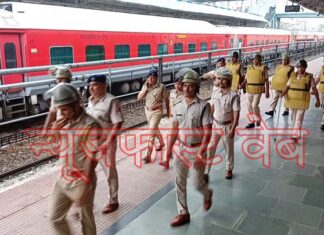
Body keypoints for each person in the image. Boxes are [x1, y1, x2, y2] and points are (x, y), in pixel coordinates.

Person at [48, 84, 100, 235]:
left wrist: (84, 189)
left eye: (64, 109)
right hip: (63, 178)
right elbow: (58, 146)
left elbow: (91, 160)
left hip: (81, 180)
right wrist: (55, 132)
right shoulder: (65, 121)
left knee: (86, 221)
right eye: (60, 109)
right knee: (54, 217)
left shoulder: (90, 126)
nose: (61, 113)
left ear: (76, 105)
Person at [165, 70, 213, 227]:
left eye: (190, 86)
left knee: (197, 183)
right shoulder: (177, 105)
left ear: (196, 87)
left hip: (197, 150)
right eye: (184, 85)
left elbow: (208, 133)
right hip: (180, 149)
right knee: (179, 181)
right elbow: (174, 129)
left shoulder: (204, 106)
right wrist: (168, 151)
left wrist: (201, 154)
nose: (186, 89)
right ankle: (183, 213)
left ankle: (207, 194)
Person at [86, 74, 123, 214]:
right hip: (91, 144)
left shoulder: (111, 101)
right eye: (90, 85)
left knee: (109, 173)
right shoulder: (90, 101)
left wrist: (107, 141)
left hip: (106, 144)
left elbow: (118, 122)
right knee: (88, 173)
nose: (91, 88)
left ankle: (113, 201)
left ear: (104, 85)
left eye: (94, 85)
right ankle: (87, 200)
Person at [205, 67, 240, 180]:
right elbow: (212, 107)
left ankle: (229, 169)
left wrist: (233, 129)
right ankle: (206, 172)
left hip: (227, 127)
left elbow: (236, 114)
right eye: (219, 79)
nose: (220, 81)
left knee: (228, 150)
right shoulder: (215, 92)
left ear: (229, 80)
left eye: (223, 79)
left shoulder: (234, 96)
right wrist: (209, 121)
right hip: (215, 125)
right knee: (210, 148)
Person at [137, 67, 170, 163]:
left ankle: (148, 155)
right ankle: (162, 143)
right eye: (148, 77)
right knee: (155, 128)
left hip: (157, 112)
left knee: (151, 132)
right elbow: (138, 97)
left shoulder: (162, 87)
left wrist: (168, 112)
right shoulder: (145, 86)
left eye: (152, 78)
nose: (150, 79)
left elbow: (167, 100)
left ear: (156, 78)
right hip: (147, 111)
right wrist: (146, 89)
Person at [282, 59, 320, 139]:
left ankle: (295, 134)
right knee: (293, 118)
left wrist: (318, 100)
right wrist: (283, 93)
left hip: (303, 101)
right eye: (298, 67)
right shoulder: (292, 75)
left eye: (302, 67)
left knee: (299, 118)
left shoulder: (309, 77)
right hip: (292, 100)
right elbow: (287, 86)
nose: (300, 69)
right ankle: (296, 132)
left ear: (305, 67)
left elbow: (314, 89)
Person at [160, 68, 186, 169]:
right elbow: (170, 106)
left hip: (181, 122)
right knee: (169, 141)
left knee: (181, 142)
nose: (178, 86)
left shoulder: (185, 95)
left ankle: (181, 161)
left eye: (180, 84)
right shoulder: (172, 93)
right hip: (172, 120)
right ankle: (167, 161)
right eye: (176, 84)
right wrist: (168, 115)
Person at [242, 54, 269, 128]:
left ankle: (258, 118)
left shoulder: (263, 68)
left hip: (258, 89)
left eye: (256, 59)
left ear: (260, 60)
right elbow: (246, 79)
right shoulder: (249, 68)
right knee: (249, 105)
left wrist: (267, 91)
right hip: (250, 89)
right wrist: (242, 85)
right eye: (253, 59)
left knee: (254, 105)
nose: (254, 61)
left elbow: (266, 80)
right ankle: (251, 122)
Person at [43, 66, 72, 131]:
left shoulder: (73, 93)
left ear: (68, 79)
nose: (59, 81)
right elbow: (52, 111)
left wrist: (56, 127)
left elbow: (73, 116)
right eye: (57, 79)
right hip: (60, 129)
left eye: (62, 79)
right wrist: (45, 129)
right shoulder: (56, 93)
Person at [265, 52, 294, 117]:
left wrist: (289, 86)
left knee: (287, 98)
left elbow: (291, 78)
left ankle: (286, 110)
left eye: (285, 59)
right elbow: (276, 75)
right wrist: (272, 81)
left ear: (288, 60)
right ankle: (271, 110)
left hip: (286, 86)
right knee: (276, 97)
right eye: (283, 59)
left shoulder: (290, 68)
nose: (284, 61)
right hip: (278, 85)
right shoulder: (278, 67)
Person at [315, 64, 324, 131]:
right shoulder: (322, 68)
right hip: (322, 89)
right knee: (323, 105)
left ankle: (323, 122)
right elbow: (318, 78)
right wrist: (313, 87)